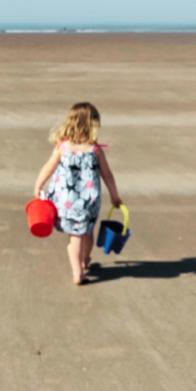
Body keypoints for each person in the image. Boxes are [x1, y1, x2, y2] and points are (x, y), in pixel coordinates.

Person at [33, 102, 123, 285]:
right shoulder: (95, 150)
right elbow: (107, 175)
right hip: (89, 201)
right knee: (87, 232)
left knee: (74, 237)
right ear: (92, 125)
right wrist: (115, 195)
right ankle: (85, 260)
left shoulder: (62, 147)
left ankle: (77, 272)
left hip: (65, 201)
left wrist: (38, 186)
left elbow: (48, 168)